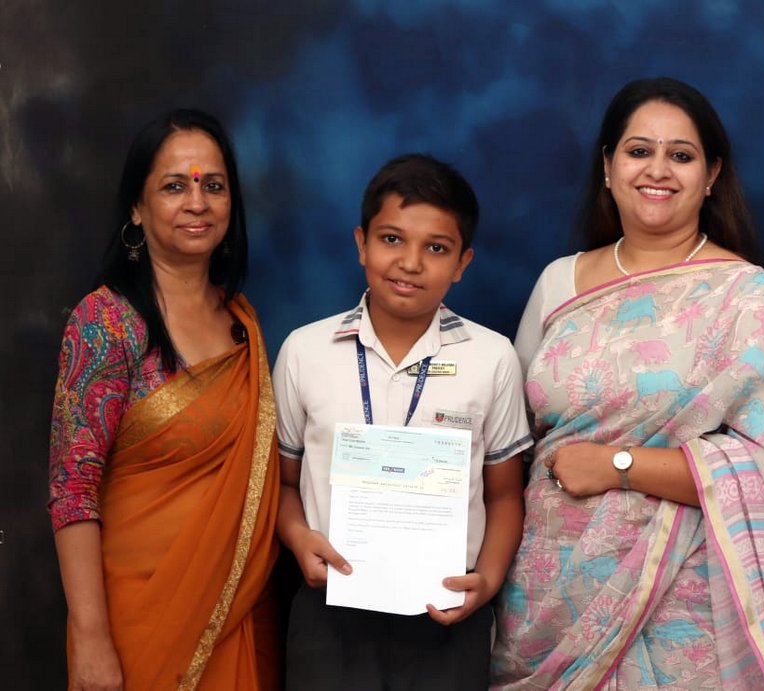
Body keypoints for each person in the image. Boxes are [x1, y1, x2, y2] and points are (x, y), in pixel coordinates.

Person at [491, 77, 764, 689]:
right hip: (543, 601)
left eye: (680, 155)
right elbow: (510, 445)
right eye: (639, 151)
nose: (657, 169)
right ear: (607, 166)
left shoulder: (751, 301)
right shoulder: (559, 283)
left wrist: (619, 466)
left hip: (681, 611)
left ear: (711, 175)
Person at [273, 153, 532, 690]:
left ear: (462, 262)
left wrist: (486, 582)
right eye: (392, 239)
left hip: (446, 616)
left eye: (436, 248)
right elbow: (283, 483)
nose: (410, 263)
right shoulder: (305, 351)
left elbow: (505, 494)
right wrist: (297, 537)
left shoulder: (493, 357)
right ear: (361, 243)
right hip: (331, 611)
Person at [48, 109, 280, 690]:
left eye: (213, 186)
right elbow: (73, 489)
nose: (197, 203)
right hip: (134, 624)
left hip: (234, 614)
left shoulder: (241, 324)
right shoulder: (106, 321)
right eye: (175, 186)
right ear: (137, 207)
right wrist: (91, 637)